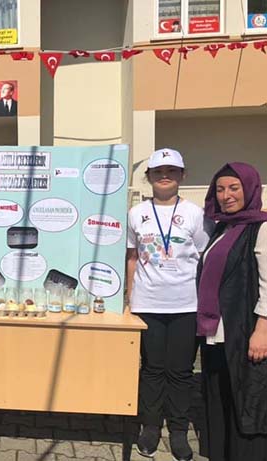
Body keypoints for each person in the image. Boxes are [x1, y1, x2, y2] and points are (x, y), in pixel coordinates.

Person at [126, 148, 212, 461]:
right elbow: (132, 258)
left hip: (186, 305)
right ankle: (150, 427)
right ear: (149, 177)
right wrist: (129, 299)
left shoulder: (196, 214)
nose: (165, 176)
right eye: (158, 171)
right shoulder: (136, 213)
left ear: (182, 175)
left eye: (172, 171)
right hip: (147, 303)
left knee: (180, 371)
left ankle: (178, 430)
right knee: (151, 369)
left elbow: (204, 257)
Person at [197, 162, 267, 461]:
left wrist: (262, 330)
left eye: (234, 188)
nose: (226, 196)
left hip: (245, 330)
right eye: (220, 189)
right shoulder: (223, 227)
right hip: (218, 332)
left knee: (247, 400)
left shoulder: (261, 228)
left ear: (250, 189)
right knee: (221, 396)